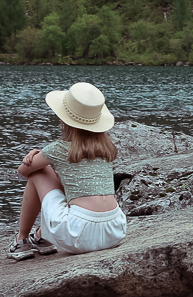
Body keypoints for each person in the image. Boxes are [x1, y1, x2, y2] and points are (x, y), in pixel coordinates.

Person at [8, 81, 127, 261]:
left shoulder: (60, 148)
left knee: (40, 172)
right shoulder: (107, 147)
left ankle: (22, 239)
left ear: (64, 119)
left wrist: (35, 155)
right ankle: (41, 237)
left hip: (79, 235)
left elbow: (24, 171)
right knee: (71, 181)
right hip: (115, 230)